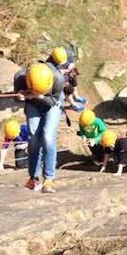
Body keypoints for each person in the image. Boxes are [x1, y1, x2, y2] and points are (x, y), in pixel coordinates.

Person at [14, 62, 65, 193]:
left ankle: (49, 179)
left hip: (52, 105)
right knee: (33, 136)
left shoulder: (58, 79)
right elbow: (17, 97)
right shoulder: (20, 77)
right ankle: (33, 177)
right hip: (33, 105)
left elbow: (52, 101)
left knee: (48, 136)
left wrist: (38, 95)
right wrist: (20, 97)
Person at [47, 46, 87, 112]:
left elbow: (72, 64)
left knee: (74, 81)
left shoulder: (67, 53)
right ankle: (73, 105)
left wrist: (67, 70)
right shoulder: (49, 64)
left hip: (68, 72)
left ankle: (76, 97)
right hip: (61, 78)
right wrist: (61, 74)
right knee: (68, 89)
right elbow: (54, 77)